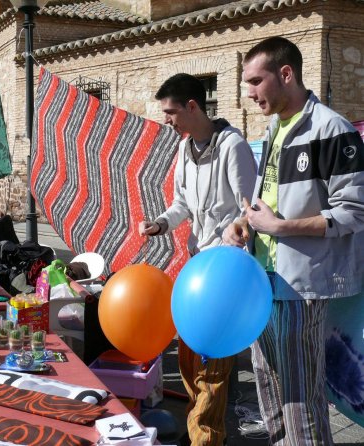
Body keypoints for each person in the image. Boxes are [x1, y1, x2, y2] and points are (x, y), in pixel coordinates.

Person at [223, 36, 364, 445]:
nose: (248, 93)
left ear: (286, 74)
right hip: (262, 279)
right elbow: (271, 199)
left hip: (300, 285)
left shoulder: (331, 128)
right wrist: (244, 222)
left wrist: (281, 228)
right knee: (268, 385)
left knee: (300, 398)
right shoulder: (273, 128)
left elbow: (354, 212)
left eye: (255, 81)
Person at [138, 73, 257, 446]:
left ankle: (206, 437)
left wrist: (236, 229)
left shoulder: (233, 146)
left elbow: (250, 209)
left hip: (224, 272)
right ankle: (206, 429)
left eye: (170, 112)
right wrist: (160, 223)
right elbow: (182, 205)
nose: (167, 120)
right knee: (190, 358)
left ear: (193, 106)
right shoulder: (184, 149)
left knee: (211, 364)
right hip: (197, 269)